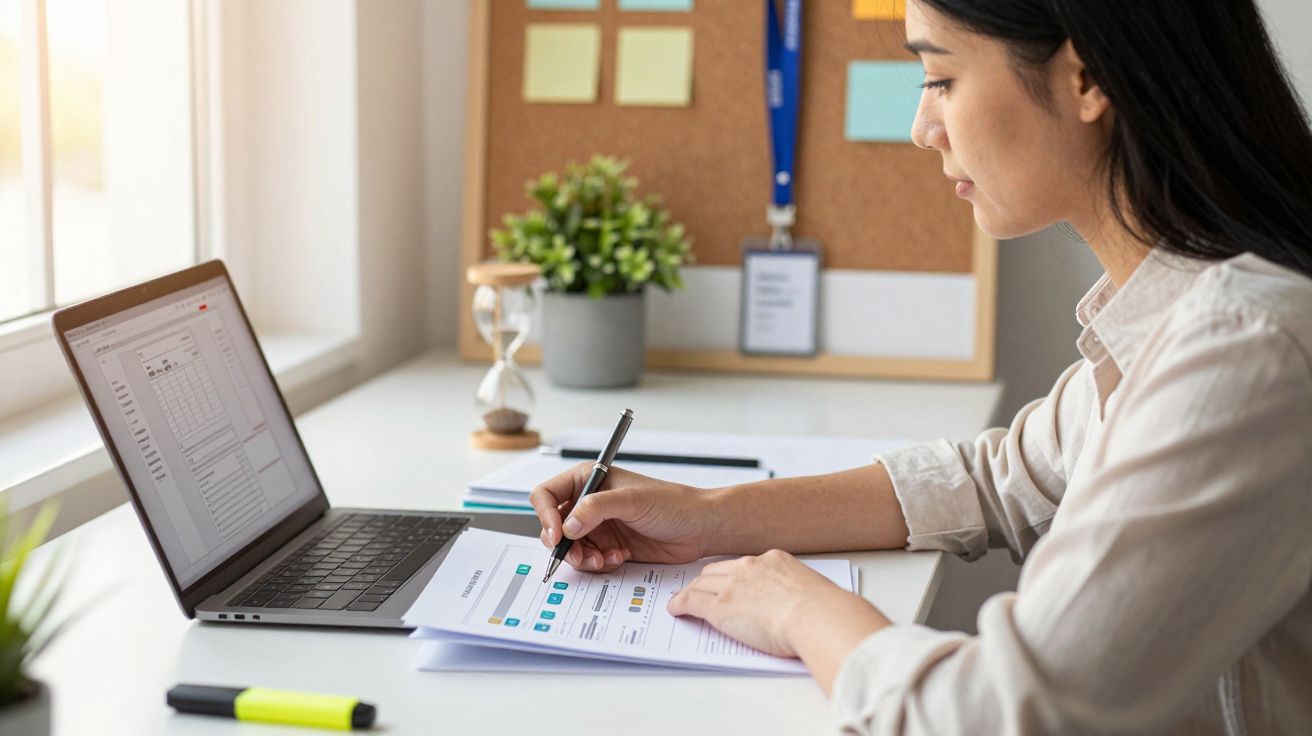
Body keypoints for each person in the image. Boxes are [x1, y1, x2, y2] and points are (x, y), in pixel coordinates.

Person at [530, 0, 1312, 733]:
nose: (921, 127)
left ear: (1087, 78)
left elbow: (1003, 712)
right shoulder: (1181, 313)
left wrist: (805, 612)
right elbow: (998, 477)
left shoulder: (1245, 352)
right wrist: (710, 517)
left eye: (941, 78)